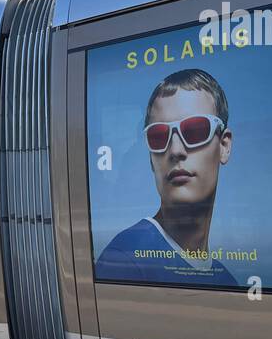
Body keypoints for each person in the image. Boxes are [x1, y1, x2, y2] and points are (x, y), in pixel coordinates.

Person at [96, 68, 238, 286]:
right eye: (158, 136)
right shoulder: (125, 261)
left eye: (196, 130)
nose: (175, 150)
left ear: (224, 146)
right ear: (151, 159)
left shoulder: (227, 280)